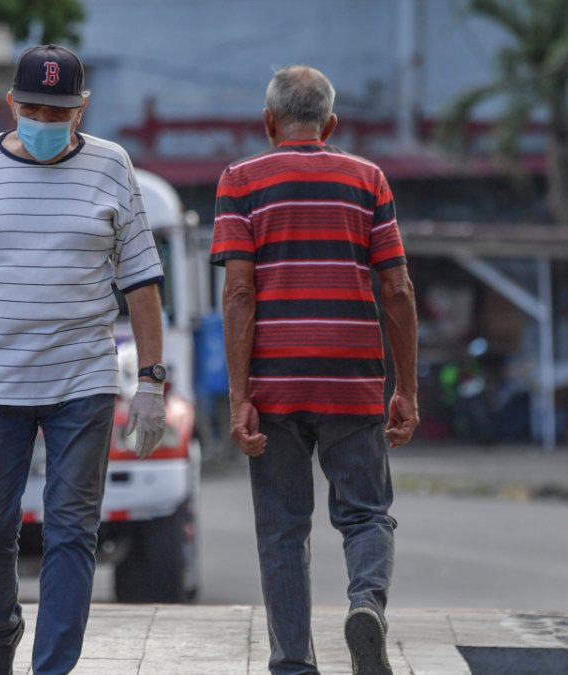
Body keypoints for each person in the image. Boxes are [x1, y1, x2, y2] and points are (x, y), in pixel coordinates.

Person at [0, 44, 167, 675]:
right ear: (11, 104)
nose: (45, 121)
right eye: (32, 108)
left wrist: (153, 382)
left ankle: (53, 668)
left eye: (58, 110)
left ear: (82, 109)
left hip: (83, 380)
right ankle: (0, 632)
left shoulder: (112, 166)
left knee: (72, 530)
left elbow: (141, 283)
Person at [210, 65, 419, 675]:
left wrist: (238, 396)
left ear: (268, 122)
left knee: (282, 528)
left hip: (275, 383)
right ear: (330, 125)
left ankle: (293, 664)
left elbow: (239, 295)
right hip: (352, 378)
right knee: (366, 514)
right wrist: (405, 388)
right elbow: (399, 289)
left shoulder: (240, 181)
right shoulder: (368, 180)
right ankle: (366, 604)